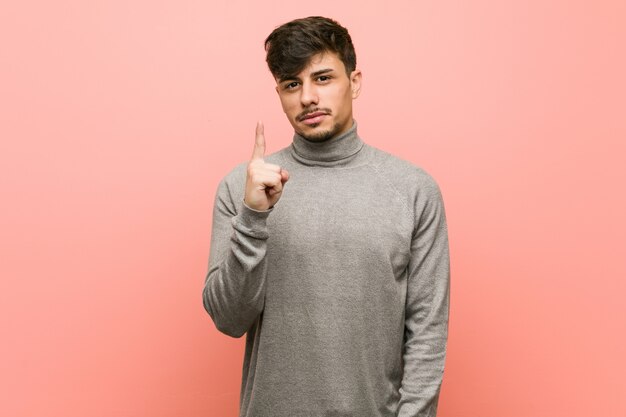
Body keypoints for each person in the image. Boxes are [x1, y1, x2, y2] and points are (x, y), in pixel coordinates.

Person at [203, 16, 450, 417]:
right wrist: (253, 217)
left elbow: (427, 332)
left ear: (354, 82)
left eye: (322, 78)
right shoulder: (243, 187)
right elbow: (228, 319)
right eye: (292, 84)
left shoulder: (413, 190)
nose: (307, 98)